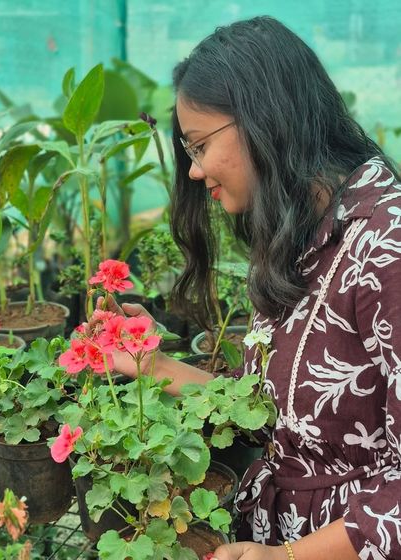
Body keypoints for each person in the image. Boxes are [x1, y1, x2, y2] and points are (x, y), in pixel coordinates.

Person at [100, 16, 401, 560]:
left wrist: (289, 557)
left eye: (198, 145)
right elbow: (266, 411)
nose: (193, 172)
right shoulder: (301, 230)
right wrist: (154, 365)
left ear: (265, 119)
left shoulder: (387, 251)